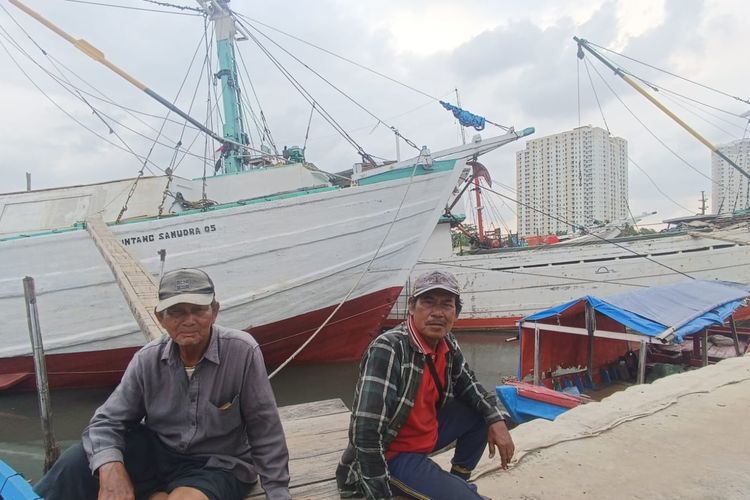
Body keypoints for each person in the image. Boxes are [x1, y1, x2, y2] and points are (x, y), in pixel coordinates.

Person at [35, 268, 290, 500]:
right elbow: (106, 422)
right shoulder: (147, 359)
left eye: (198, 310)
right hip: (158, 454)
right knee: (75, 462)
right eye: (176, 312)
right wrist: (110, 467)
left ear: (215, 311)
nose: (188, 320)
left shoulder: (242, 351)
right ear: (160, 317)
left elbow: (264, 428)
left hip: (217, 463)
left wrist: (277, 493)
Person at [336, 270, 514, 499]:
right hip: (393, 455)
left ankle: (458, 481)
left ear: (456, 312)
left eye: (446, 305)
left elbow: (470, 386)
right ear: (411, 307)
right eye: (428, 303)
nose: (437, 313)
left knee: (481, 411)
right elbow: (365, 433)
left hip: (426, 436)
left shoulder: (446, 341)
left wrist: (496, 419)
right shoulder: (389, 349)